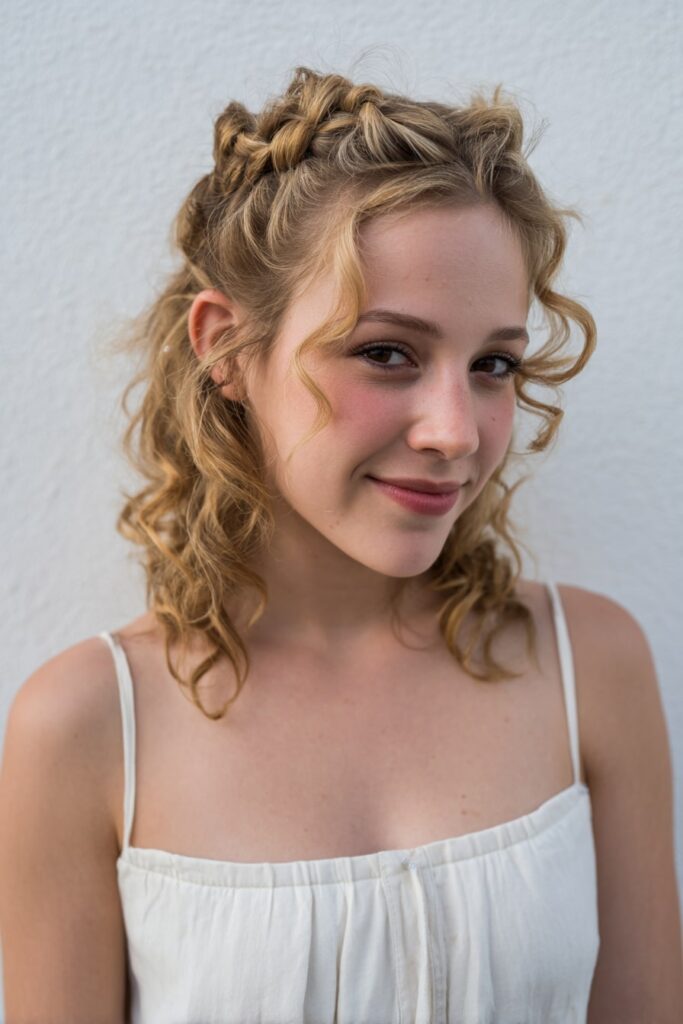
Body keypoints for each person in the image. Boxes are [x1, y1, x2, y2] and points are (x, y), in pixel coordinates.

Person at [0, 65, 681, 1024]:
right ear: (227, 347)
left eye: (492, 365)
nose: (455, 429)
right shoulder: (85, 728)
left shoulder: (589, 665)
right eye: (386, 352)